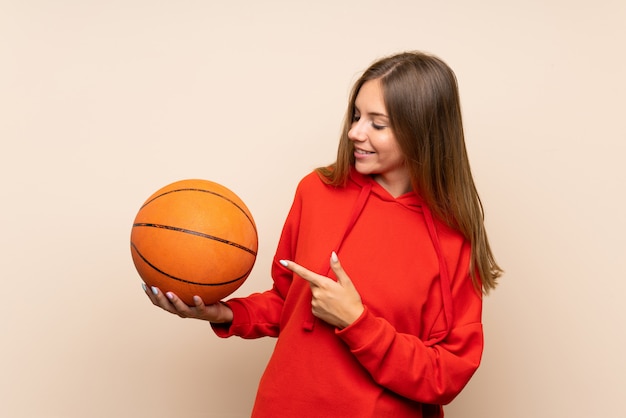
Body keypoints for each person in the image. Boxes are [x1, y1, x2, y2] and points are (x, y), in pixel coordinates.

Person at [144, 50, 503, 418]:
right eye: (356, 115)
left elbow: (446, 375)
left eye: (377, 124)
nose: (354, 132)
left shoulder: (454, 238)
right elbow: (288, 300)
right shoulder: (316, 190)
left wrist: (356, 322)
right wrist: (223, 313)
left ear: (422, 131)